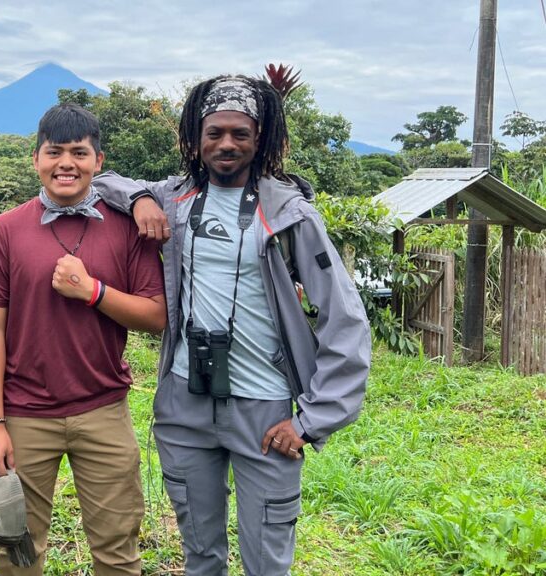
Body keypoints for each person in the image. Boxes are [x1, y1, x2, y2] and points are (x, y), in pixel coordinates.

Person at [93, 75, 371, 575]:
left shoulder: (288, 214)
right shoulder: (174, 198)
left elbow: (345, 319)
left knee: (266, 560)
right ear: (194, 139)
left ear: (259, 139)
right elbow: (100, 181)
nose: (226, 144)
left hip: (264, 409)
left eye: (240, 134)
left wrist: (312, 419)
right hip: (184, 403)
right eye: (214, 132)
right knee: (200, 553)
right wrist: (139, 200)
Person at [0, 103, 166, 576]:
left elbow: (156, 316)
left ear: (99, 162)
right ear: (35, 159)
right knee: (19, 548)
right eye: (54, 151)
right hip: (23, 413)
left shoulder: (126, 226)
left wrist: (94, 292)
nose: (66, 163)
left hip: (103, 408)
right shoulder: (6, 229)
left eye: (79, 153)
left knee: (118, 548)